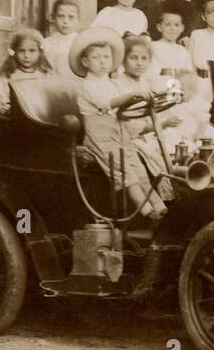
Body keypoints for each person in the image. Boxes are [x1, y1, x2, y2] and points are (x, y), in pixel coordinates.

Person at [69, 27, 167, 220]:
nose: (103, 61)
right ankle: (147, 214)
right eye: (96, 58)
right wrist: (132, 96)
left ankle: (161, 208)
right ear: (85, 62)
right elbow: (107, 104)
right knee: (126, 175)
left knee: (139, 170)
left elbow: (124, 109)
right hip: (101, 139)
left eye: (106, 57)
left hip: (121, 134)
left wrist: (144, 101)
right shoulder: (89, 86)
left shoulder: (111, 83)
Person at [115, 34, 175, 204]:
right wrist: (158, 125)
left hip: (145, 133)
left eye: (144, 58)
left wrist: (161, 123)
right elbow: (127, 122)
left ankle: (173, 198)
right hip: (125, 136)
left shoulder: (146, 84)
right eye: (133, 58)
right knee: (150, 158)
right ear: (123, 60)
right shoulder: (118, 84)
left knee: (172, 151)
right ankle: (154, 204)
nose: (139, 63)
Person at [0, 27, 52, 115]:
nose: (26, 55)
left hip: (42, 116)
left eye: (32, 51)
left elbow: (51, 99)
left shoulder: (45, 75)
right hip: (16, 118)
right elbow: (2, 104)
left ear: (40, 53)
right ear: (14, 53)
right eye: (22, 51)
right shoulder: (8, 76)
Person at [149, 0, 195, 80]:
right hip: (158, 87)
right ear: (159, 27)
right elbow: (150, 72)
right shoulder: (153, 47)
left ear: (182, 28)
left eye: (176, 25)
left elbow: (188, 74)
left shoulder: (183, 51)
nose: (172, 28)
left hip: (180, 88)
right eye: (168, 24)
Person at [41, 0, 81, 79]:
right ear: (53, 18)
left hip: (77, 86)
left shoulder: (82, 43)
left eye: (71, 17)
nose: (65, 21)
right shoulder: (45, 44)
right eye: (61, 16)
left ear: (78, 20)